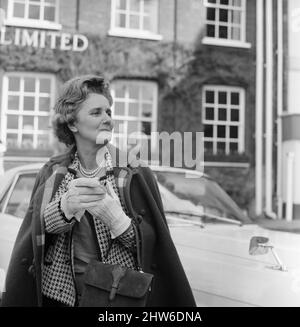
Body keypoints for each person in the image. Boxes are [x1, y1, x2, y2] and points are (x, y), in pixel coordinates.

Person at [1, 75, 196, 307]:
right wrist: (63, 210)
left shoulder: (134, 172)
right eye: (96, 113)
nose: (107, 119)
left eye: (108, 112)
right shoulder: (53, 172)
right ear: (72, 124)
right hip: (59, 298)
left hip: (117, 300)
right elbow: (37, 235)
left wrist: (117, 221)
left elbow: (153, 250)